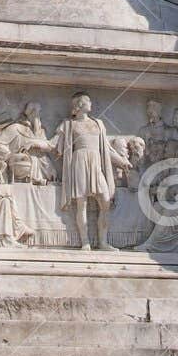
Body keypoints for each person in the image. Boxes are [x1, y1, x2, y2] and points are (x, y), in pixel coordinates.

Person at [46, 93, 117, 250]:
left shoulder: (98, 123)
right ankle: (85, 242)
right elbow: (53, 144)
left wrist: (122, 160)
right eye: (88, 101)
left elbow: (107, 149)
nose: (91, 103)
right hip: (79, 162)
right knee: (81, 204)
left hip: (96, 163)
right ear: (79, 105)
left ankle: (103, 242)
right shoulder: (69, 124)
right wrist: (33, 142)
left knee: (106, 202)